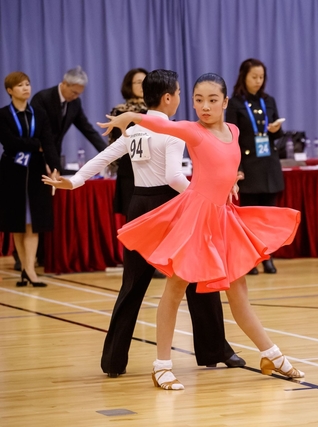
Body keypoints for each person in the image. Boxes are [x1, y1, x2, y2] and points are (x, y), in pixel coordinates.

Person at [93, 73, 303, 390]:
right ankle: (162, 366)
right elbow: (162, 125)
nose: (204, 106)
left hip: (223, 219)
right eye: (198, 100)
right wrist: (132, 117)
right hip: (196, 219)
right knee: (175, 289)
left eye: (212, 100)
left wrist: (231, 181)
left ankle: (271, 354)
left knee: (238, 293)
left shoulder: (233, 131)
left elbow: (226, 164)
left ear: (225, 102)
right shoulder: (193, 131)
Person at [43, 69, 244, 377]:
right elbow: (173, 177)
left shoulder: (136, 129)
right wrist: (205, 194)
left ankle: (113, 360)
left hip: (138, 206)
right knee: (199, 277)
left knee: (133, 284)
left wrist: (75, 181)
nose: (181, 98)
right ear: (168, 98)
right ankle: (215, 350)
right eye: (180, 93)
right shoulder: (173, 131)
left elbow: (105, 156)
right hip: (171, 208)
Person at [0, 71, 60, 286]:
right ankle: (26, 269)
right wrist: (36, 144)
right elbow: (10, 142)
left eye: (27, 84)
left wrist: (55, 167)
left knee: (33, 223)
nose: (26, 88)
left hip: (36, 171)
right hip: (12, 171)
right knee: (18, 222)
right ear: (10, 90)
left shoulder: (39, 114)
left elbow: (48, 142)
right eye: (20, 85)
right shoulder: (3, 115)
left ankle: (30, 270)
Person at [226, 58, 284, 275]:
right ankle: (250, 259)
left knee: (269, 217)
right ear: (244, 77)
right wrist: (237, 167)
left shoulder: (268, 101)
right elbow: (232, 139)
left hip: (269, 164)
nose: (258, 81)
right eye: (254, 77)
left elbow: (276, 136)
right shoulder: (235, 103)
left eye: (261, 77)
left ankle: (268, 257)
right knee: (249, 217)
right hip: (249, 166)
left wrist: (276, 129)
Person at [31, 66, 107, 157]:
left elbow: (87, 130)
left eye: (79, 94)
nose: (75, 97)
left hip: (55, 154)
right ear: (64, 83)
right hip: (37, 153)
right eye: (74, 92)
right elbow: (35, 129)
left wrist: (107, 152)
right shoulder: (42, 98)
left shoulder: (75, 103)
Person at [108, 68, 149, 216]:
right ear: (129, 85)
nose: (143, 86)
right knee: (132, 219)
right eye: (138, 82)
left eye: (145, 82)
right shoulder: (120, 111)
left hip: (153, 171)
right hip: (129, 172)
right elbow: (118, 141)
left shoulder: (155, 111)